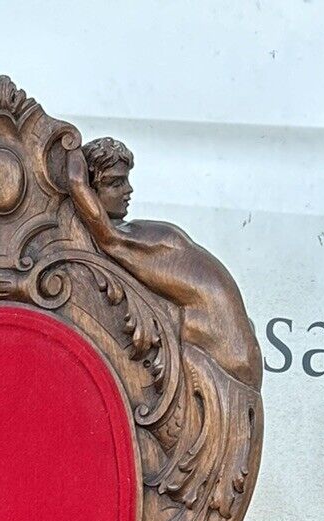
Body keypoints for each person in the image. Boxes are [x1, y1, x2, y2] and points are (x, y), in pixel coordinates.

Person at [69, 137, 261, 388]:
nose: (129, 190)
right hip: (234, 354)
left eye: (125, 180)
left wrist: (75, 177)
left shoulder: (138, 238)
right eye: (116, 183)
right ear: (95, 193)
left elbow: (108, 238)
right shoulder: (151, 233)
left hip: (224, 361)